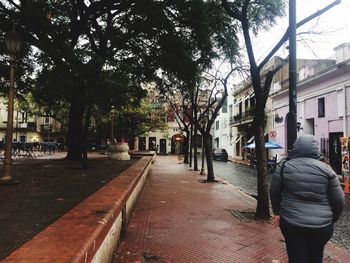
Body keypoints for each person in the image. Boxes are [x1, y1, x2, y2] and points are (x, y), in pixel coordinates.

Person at [269, 135, 344, 263]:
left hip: (292, 223)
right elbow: (338, 200)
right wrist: (331, 219)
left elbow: (274, 191)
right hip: (322, 226)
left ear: (296, 148)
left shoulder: (284, 166)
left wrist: (277, 213)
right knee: (316, 256)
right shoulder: (327, 169)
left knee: (296, 256)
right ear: (316, 149)